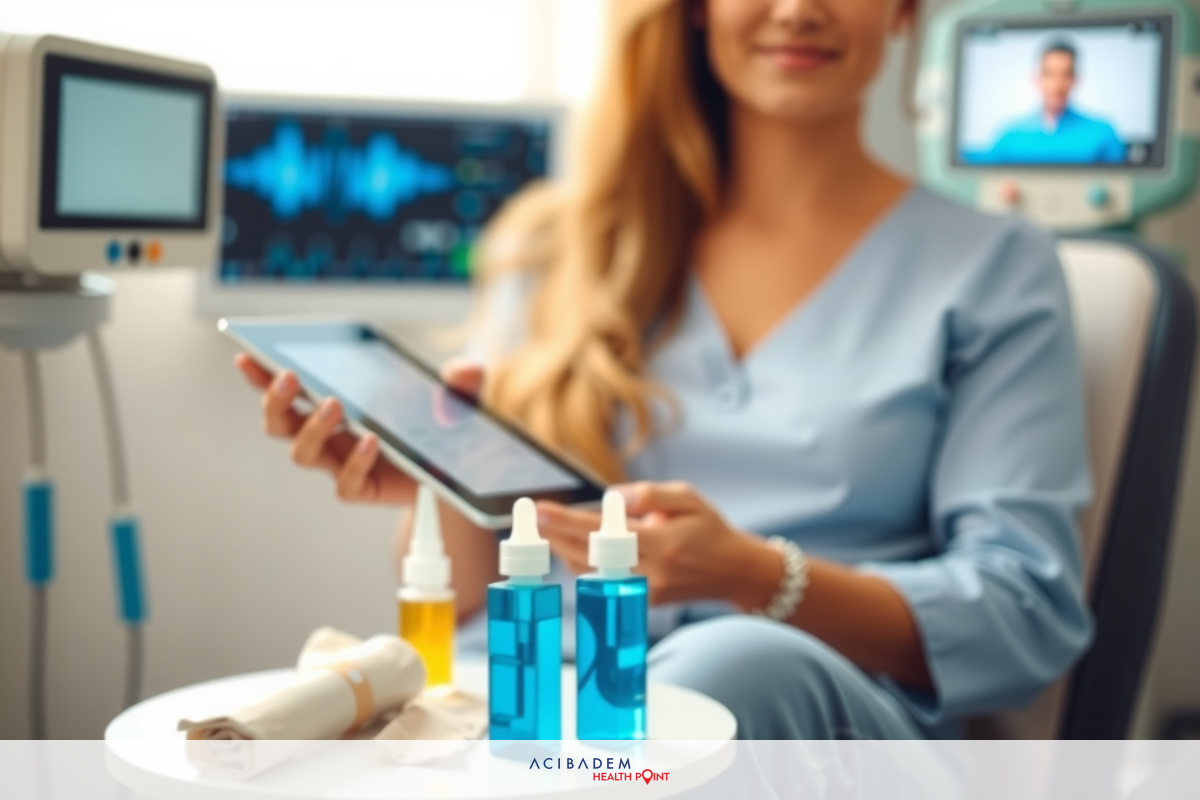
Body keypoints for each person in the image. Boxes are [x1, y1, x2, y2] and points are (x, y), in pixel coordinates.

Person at [236, 0, 1093, 739]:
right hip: (536, 696)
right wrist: (438, 482)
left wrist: (755, 576)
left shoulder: (995, 269)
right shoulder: (555, 247)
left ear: (908, 7)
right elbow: (464, 601)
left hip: (814, 715)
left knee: (728, 667)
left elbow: (1024, 610)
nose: (797, 8)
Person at [975, 39, 1125, 164]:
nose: (1057, 85)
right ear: (1036, 78)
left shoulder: (1102, 133)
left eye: (1065, 74)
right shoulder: (1009, 134)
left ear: (1075, 80)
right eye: (1049, 74)